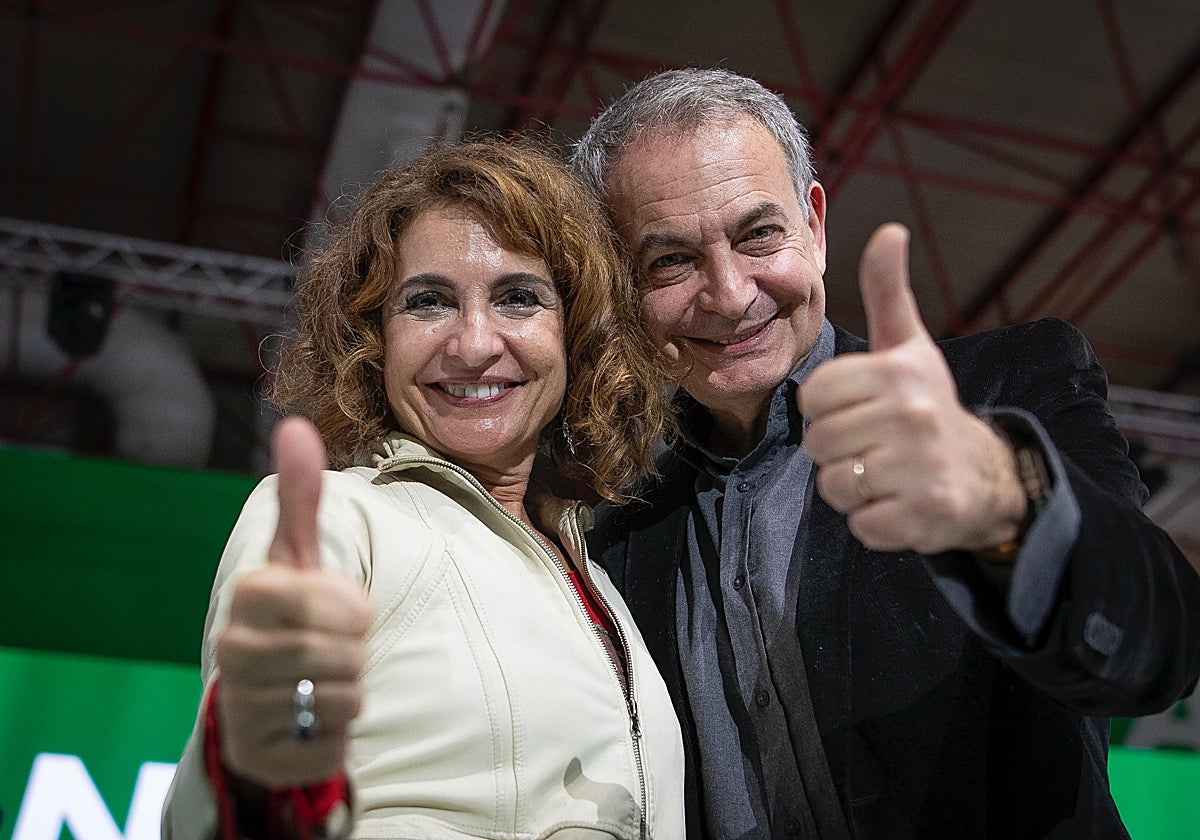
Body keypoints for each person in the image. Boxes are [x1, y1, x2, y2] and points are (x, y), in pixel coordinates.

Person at [571, 68, 1200, 839]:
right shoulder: (609, 526)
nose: (731, 294)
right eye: (670, 261)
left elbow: (1155, 651)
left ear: (815, 224)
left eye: (758, 234)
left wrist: (1004, 501)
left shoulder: (1002, 388)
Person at [161, 138, 685, 839]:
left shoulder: (599, 577)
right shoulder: (341, 520)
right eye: (428, 302)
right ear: (373, 340)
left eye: (518, 298)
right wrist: (256, 770)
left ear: (578, 335)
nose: (472, 344)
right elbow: (234, 807)